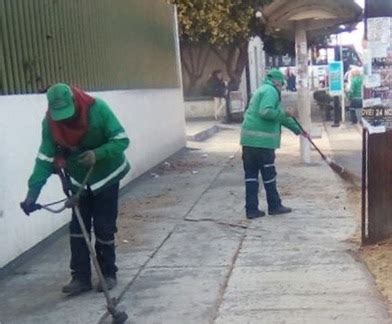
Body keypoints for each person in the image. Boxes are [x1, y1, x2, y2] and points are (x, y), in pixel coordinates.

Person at [20, 83, 130, 295]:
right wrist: (31, 195)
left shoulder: (98, 109)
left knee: (103, 226)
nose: (64, 120)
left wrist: (98, 153)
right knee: (78, 229)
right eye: (59, 115)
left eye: (67, 113)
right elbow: (44, 159)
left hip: (107, 175)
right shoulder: (50, 123)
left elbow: (121, 140)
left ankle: (108, 273)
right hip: (78, 182)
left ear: (74, 101)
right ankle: (80, 278)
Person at [240, 69, 304, 219]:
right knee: (269, 176)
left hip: (248, 141)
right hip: (262, 144)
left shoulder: (262, 89)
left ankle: (251, 210)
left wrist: (298, 129)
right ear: (277, 81)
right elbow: (266, 112)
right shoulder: (271, 91)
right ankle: (274, 206)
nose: (282, 87)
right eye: (282, 84)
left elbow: (279, 116)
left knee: (251, 176)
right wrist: (285, 114)